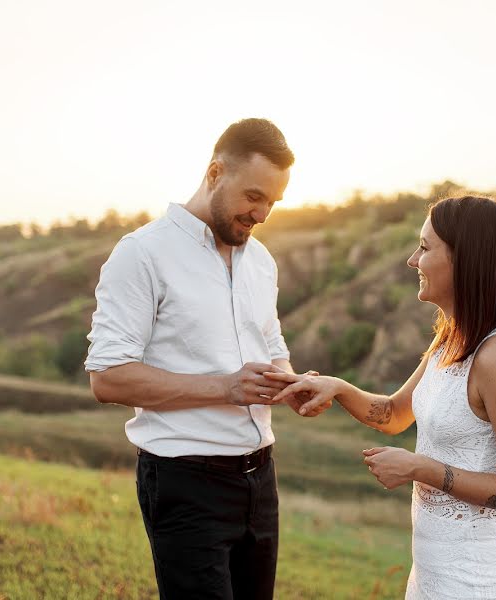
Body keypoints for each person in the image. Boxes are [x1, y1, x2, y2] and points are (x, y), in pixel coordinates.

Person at [84, 118, 326, 599]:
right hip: (185, 480)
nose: (261, 214)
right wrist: (225, 387)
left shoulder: (261, 262)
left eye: (273, 203)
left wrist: (292, 384)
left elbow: (272, 350)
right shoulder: (142, 254)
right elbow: (107, 378)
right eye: (254, 197)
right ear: (216, 173)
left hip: (261, 480)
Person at [268, 195, 496, 599]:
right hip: (430, 579)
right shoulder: (450, 338)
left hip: (475, 584)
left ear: (464, 258)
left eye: (424, 247)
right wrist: (339, 388)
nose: (411, 260)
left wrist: (422, 469)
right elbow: (394, 414)